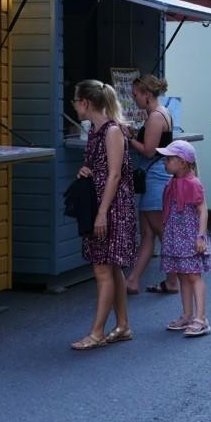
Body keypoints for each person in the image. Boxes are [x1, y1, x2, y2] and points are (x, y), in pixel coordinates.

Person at [70, 79, 137, 349]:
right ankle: (122, 325)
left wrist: (101, 213)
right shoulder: (97, 130)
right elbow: (100, 167)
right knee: (112, 266)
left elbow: (115, 173)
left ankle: (97, 332)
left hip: (111, 206)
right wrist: (85, 170)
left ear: (85, 103)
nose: (74, 106)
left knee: (102, 269)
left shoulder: (111, 131)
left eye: (76, 101)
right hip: (104, 203)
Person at [124, 75, 177, 295]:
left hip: (155, 178)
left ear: (147, 94)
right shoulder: (162, 113)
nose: (133, 99)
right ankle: (133, 280)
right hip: (156, 176)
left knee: (161, 232)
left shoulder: (155, 117)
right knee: (147, 233)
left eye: (135, 95)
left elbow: (148, 150)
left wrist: (128, 138)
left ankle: (173, 281)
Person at [155, 140, 211, 337]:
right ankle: (187, 315)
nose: (165, 162)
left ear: (183, 163)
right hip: (176, 234)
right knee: (182, 274)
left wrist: (201, 236)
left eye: (169, 159)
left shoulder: (192, 183)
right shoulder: (173, 182)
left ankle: (201, 318)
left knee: (193, 275)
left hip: (190, 235)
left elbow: (202, 209)